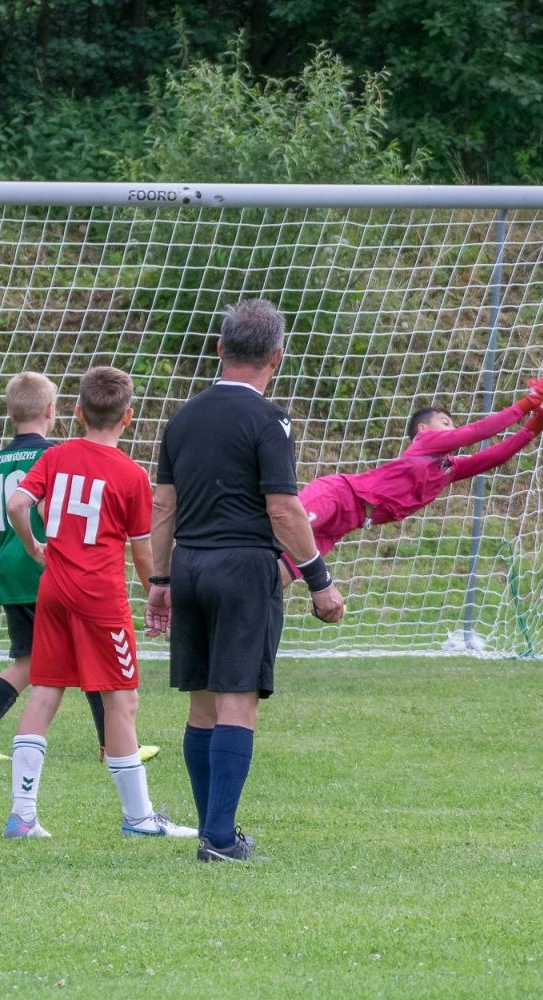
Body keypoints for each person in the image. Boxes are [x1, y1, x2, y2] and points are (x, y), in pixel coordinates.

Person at [146, 298, 345, 862]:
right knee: (239, 703)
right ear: (276, 357)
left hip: (189, 564)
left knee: (202, 705)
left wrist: (160, 578)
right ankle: (220, 838)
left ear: (220, 349)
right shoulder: (270, 419)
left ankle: (216, 832)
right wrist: (319, 581)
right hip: (242, 569)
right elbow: (284, 510)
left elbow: (164, 505)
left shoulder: (182, 417)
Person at [0, 366, 194, 840]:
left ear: (77, 411)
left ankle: (23, 817)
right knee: (121, 700)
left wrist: (31, 547)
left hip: (54, 592)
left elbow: (16, 506)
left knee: (45, 692)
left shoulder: (58, 455)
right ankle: (139, 819)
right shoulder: (131, 475)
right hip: (99, 599)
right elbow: (142, 549)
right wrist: (156, 593)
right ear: (128, 417)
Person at [0, 370, 157, 763]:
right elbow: (54, 510)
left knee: (39, 664)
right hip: (50, 565)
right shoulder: (58, 455)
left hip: (9, 563)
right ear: (53, 411)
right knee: (68, 656)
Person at [290, 376, 543, 572]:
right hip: (337, 496)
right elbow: (478, 432)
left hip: (346, 522)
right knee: (273, 535)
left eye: (453, 424)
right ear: (423, 429)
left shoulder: (447, 469)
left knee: (283, 573)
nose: (452, 428)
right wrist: (527, 403)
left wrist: (533, 426)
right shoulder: (426, 443)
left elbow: (492, 457)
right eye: (445, 422)